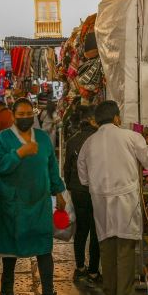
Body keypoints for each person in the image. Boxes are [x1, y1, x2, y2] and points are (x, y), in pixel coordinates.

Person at [0, 98, 67, 295]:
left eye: (28, 114)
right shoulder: (3, 139)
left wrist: (58, 192)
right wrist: (19, 153)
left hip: (39, 203)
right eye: (20, 114)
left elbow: (51, 167)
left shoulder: (42, 138)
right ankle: (7, 285)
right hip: (12, 204)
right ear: (13, 115)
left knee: (44, 249)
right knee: (11, 249)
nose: (25, 117)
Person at [78, 101, 148, 295]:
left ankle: (110, 291)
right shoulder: (130, 136)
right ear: (117, 117)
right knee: (125, 244)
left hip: (100, 199)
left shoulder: (89, 143)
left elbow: (83, 177)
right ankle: (124, 293)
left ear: (97, 121)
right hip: (125, 198)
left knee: (107, 244)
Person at [62, 105, 100, 283]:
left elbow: (67, 168)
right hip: (97, 190)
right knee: (96, 230)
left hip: (78, 190)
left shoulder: (73, 140)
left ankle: (80, 267)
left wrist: (70, 187)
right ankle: (93, 271)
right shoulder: (99, 139)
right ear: (93, 120)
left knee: (81, 229)